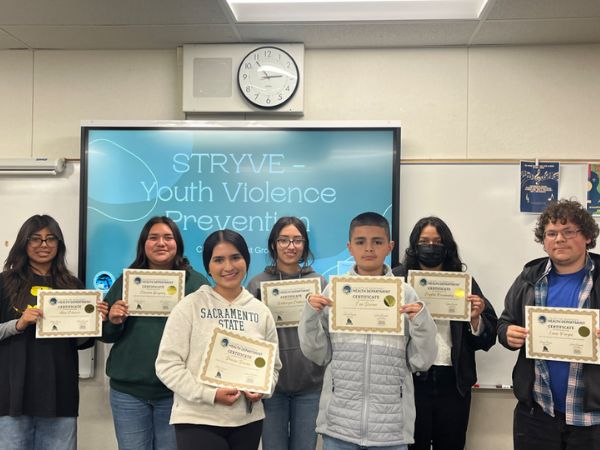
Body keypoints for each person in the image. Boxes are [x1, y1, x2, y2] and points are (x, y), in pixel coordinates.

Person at [298, 212, 438, 450]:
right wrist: (310, 316)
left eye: (377, 242)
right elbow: (318, 354)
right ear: (349, 247)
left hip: (390, 429)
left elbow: (421, 361)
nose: (369, 249)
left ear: (390, 247)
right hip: (339, 426)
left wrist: (422, 322)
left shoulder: (406, 294)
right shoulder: (333, 292)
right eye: (361, 242)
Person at [156, 229, 282, 450]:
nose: (228, 267)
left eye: (235, 257)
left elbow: (273, 367)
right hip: (197, 420)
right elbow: (167, 365)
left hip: (247, 421)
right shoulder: (189, 307)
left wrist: (263, 388)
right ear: (208, 267)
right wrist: (210, 394)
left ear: (246, 260)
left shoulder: (261, 311)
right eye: (218, 260)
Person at [498, 199, 600, 449]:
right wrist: (507, 333)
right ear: (544, 241)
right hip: (537, 415)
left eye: (568, 232)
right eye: (551, 233)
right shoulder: (528, 278)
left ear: (587, 236)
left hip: (592, 420)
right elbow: (505, 322)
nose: (559, 239)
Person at [0, 214, 108, 450]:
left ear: (59, 244)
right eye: (35, 239)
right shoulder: (4, 282)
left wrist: (94, 321)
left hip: (59, 392)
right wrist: (18, 324)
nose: (44, 245)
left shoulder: (73, 285)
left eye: (51, 239)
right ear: (24, 243)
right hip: (12, 394)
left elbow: (80, 342)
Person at [102, 216, 209, 450]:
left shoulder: (196, 285)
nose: (161, 243)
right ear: (144, 244)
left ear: (178, 244)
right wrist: (113, 320)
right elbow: (105, 334)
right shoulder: (127, 280)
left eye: (168, 237)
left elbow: (208, 335)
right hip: (128, 393)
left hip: (176, 393)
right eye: (153, 238)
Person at [393, 217, 497, 450]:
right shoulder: (398, 279)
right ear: (414, 245)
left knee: (451, 444)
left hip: (454, 381)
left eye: (437, 241)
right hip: (411, 380)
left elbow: (488, 338)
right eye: (424, 241)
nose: (431, 246)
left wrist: (476, 318)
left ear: (447, 246)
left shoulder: (464, 282)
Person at [247, 216, 326, 450]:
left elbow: (326, 333)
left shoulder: (318, 283)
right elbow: (251, 335)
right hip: (273, 389)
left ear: (305, 246)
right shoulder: (257, 284)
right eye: (284, 240)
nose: (291, 246)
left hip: (310, 385)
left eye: (297, 240)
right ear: (273, 245)